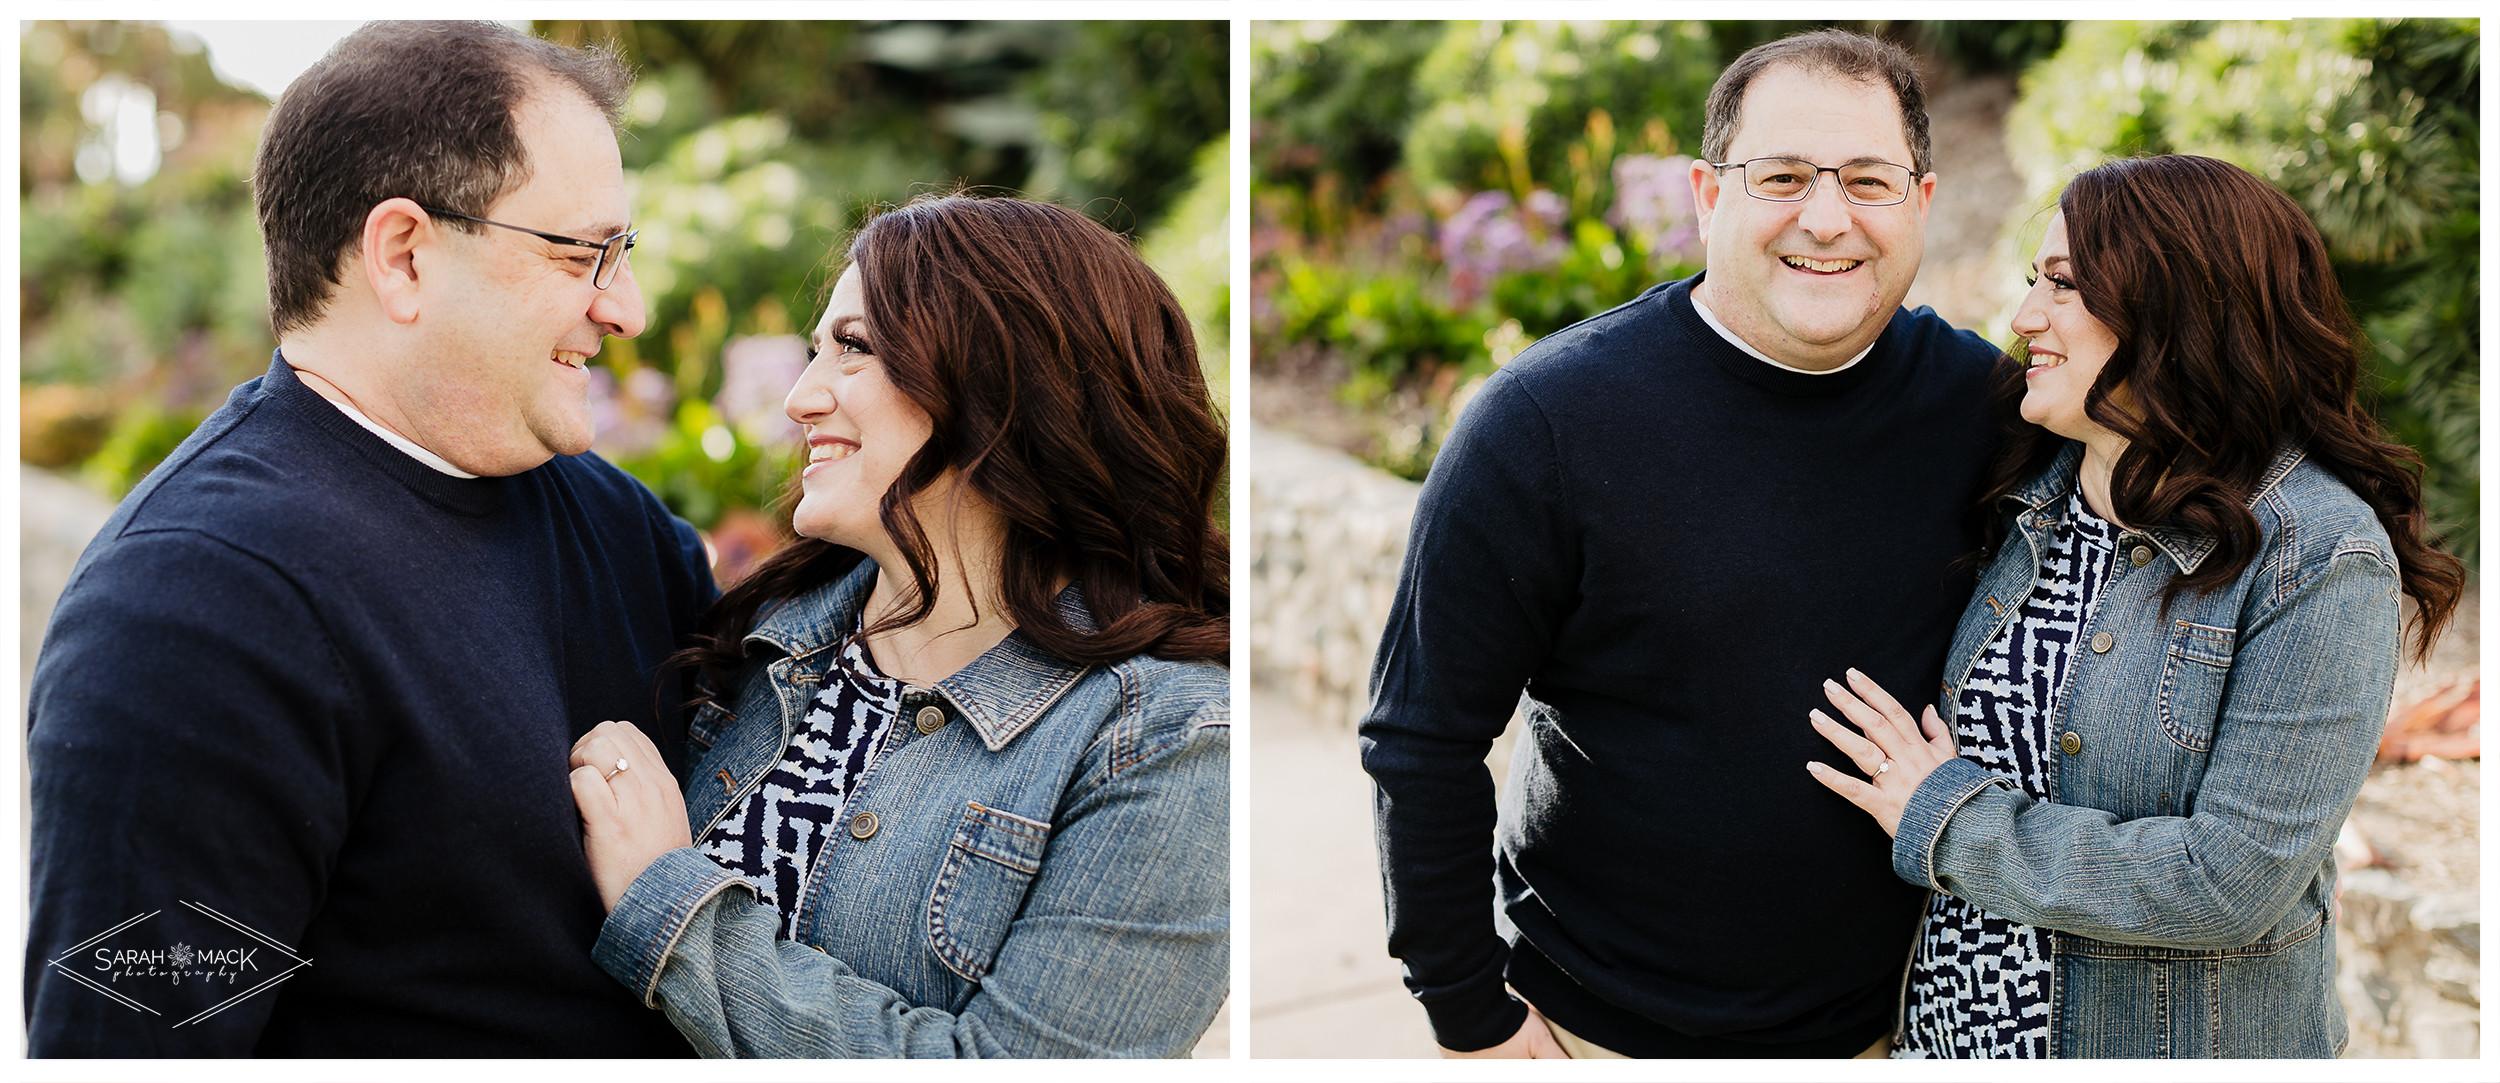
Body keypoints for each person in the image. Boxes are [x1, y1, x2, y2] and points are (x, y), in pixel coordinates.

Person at [25, 22, 713, 1056]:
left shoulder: (622, 528)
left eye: (625, 254)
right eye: (585, 253)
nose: (629, 308)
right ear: (402, 257)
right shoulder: (195, 607)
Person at [1360, 30, 2000, 1059]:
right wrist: (1467, 1015)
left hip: (1894, 1033)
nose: (1826, 217)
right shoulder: (1545, 424)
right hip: (1598, 1031)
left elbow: (2179, 472)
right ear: (1708, 195)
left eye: (1869, 181)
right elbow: (1421, 740)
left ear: (1919, 203)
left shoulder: (1982, 407)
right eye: (1781, 176)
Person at [1806, 154, 2464, 1059]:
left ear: (2184, 310)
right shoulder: (2027, 495)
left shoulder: (2318, 555)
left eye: (2066, 286)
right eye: (2034, 280)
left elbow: (2228, 883)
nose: (2026, 316)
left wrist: (1947, 817)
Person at [561, 193, 1231, 1058]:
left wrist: (669, 903)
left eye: (853, 348)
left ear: (1004, 381)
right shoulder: (765, 640)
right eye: (815, 351)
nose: (801, 399)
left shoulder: (1164, 739)